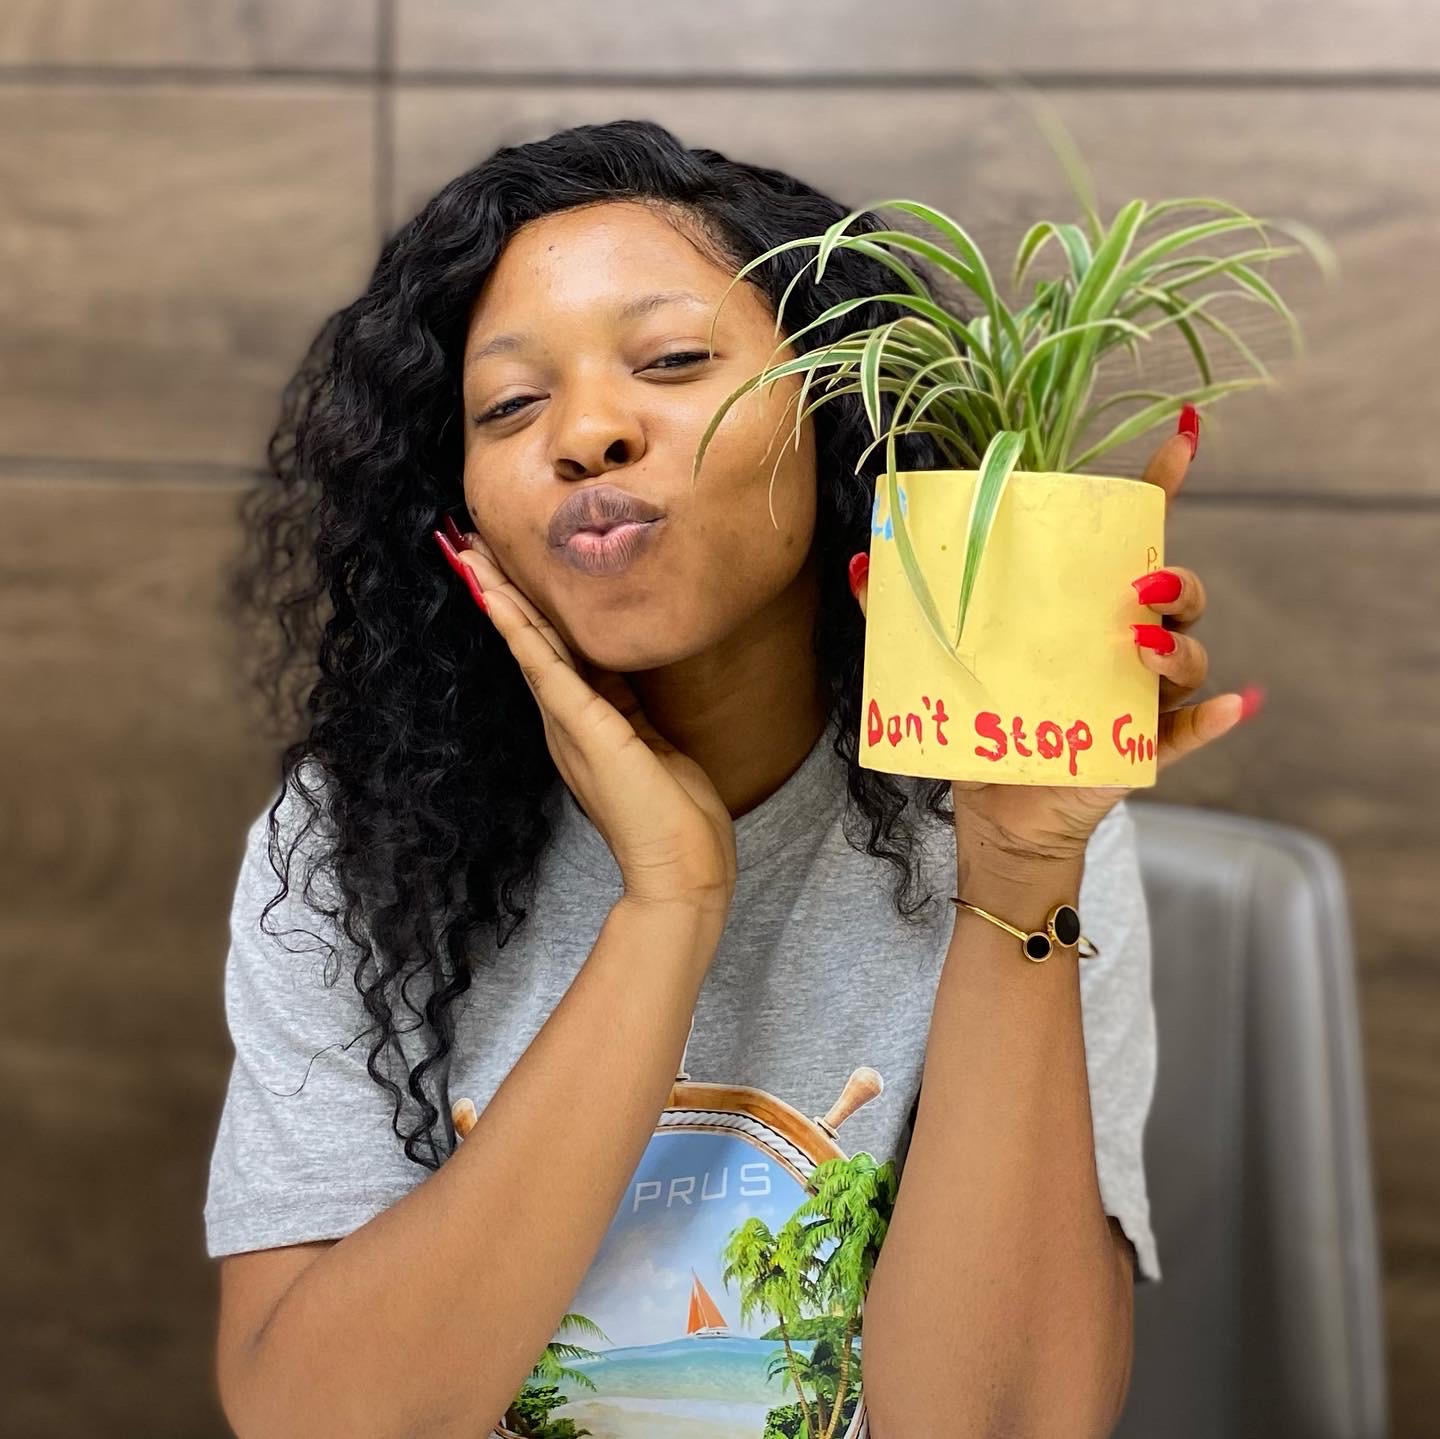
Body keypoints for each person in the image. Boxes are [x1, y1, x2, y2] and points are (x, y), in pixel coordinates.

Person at [205, 118, 1252, 1439]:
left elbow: (1005, 1424)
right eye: (512, 405)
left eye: (676, 361)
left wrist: (1022, 873)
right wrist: (668, 905)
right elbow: (317, 1423)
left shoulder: (995, 827)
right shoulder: (351, 838)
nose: (587, 433)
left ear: (838, 419)